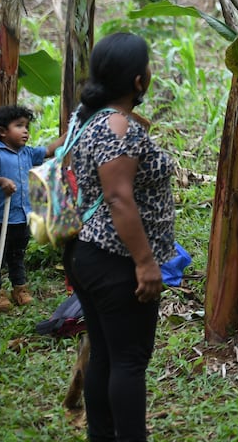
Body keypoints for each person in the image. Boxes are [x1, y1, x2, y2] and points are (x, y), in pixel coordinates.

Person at [64, 32, 176, 442]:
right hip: (117, 263)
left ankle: (101, 435)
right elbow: (118, 197)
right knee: (128, 360)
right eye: (147, 66)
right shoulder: (118, 128)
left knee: (107, 357)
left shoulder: (91, 119)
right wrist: (145, 263)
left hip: (89, 257)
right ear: (137, 81)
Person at [0, 104, 63, 312]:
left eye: (27, 126)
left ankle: (20, 288)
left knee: (17, 254)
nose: (26, 131)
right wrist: (2, 181)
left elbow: (49, 150)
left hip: (21, 217)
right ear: (2, 131)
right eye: (19, 126)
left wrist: (71, 131)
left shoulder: (27, 153)